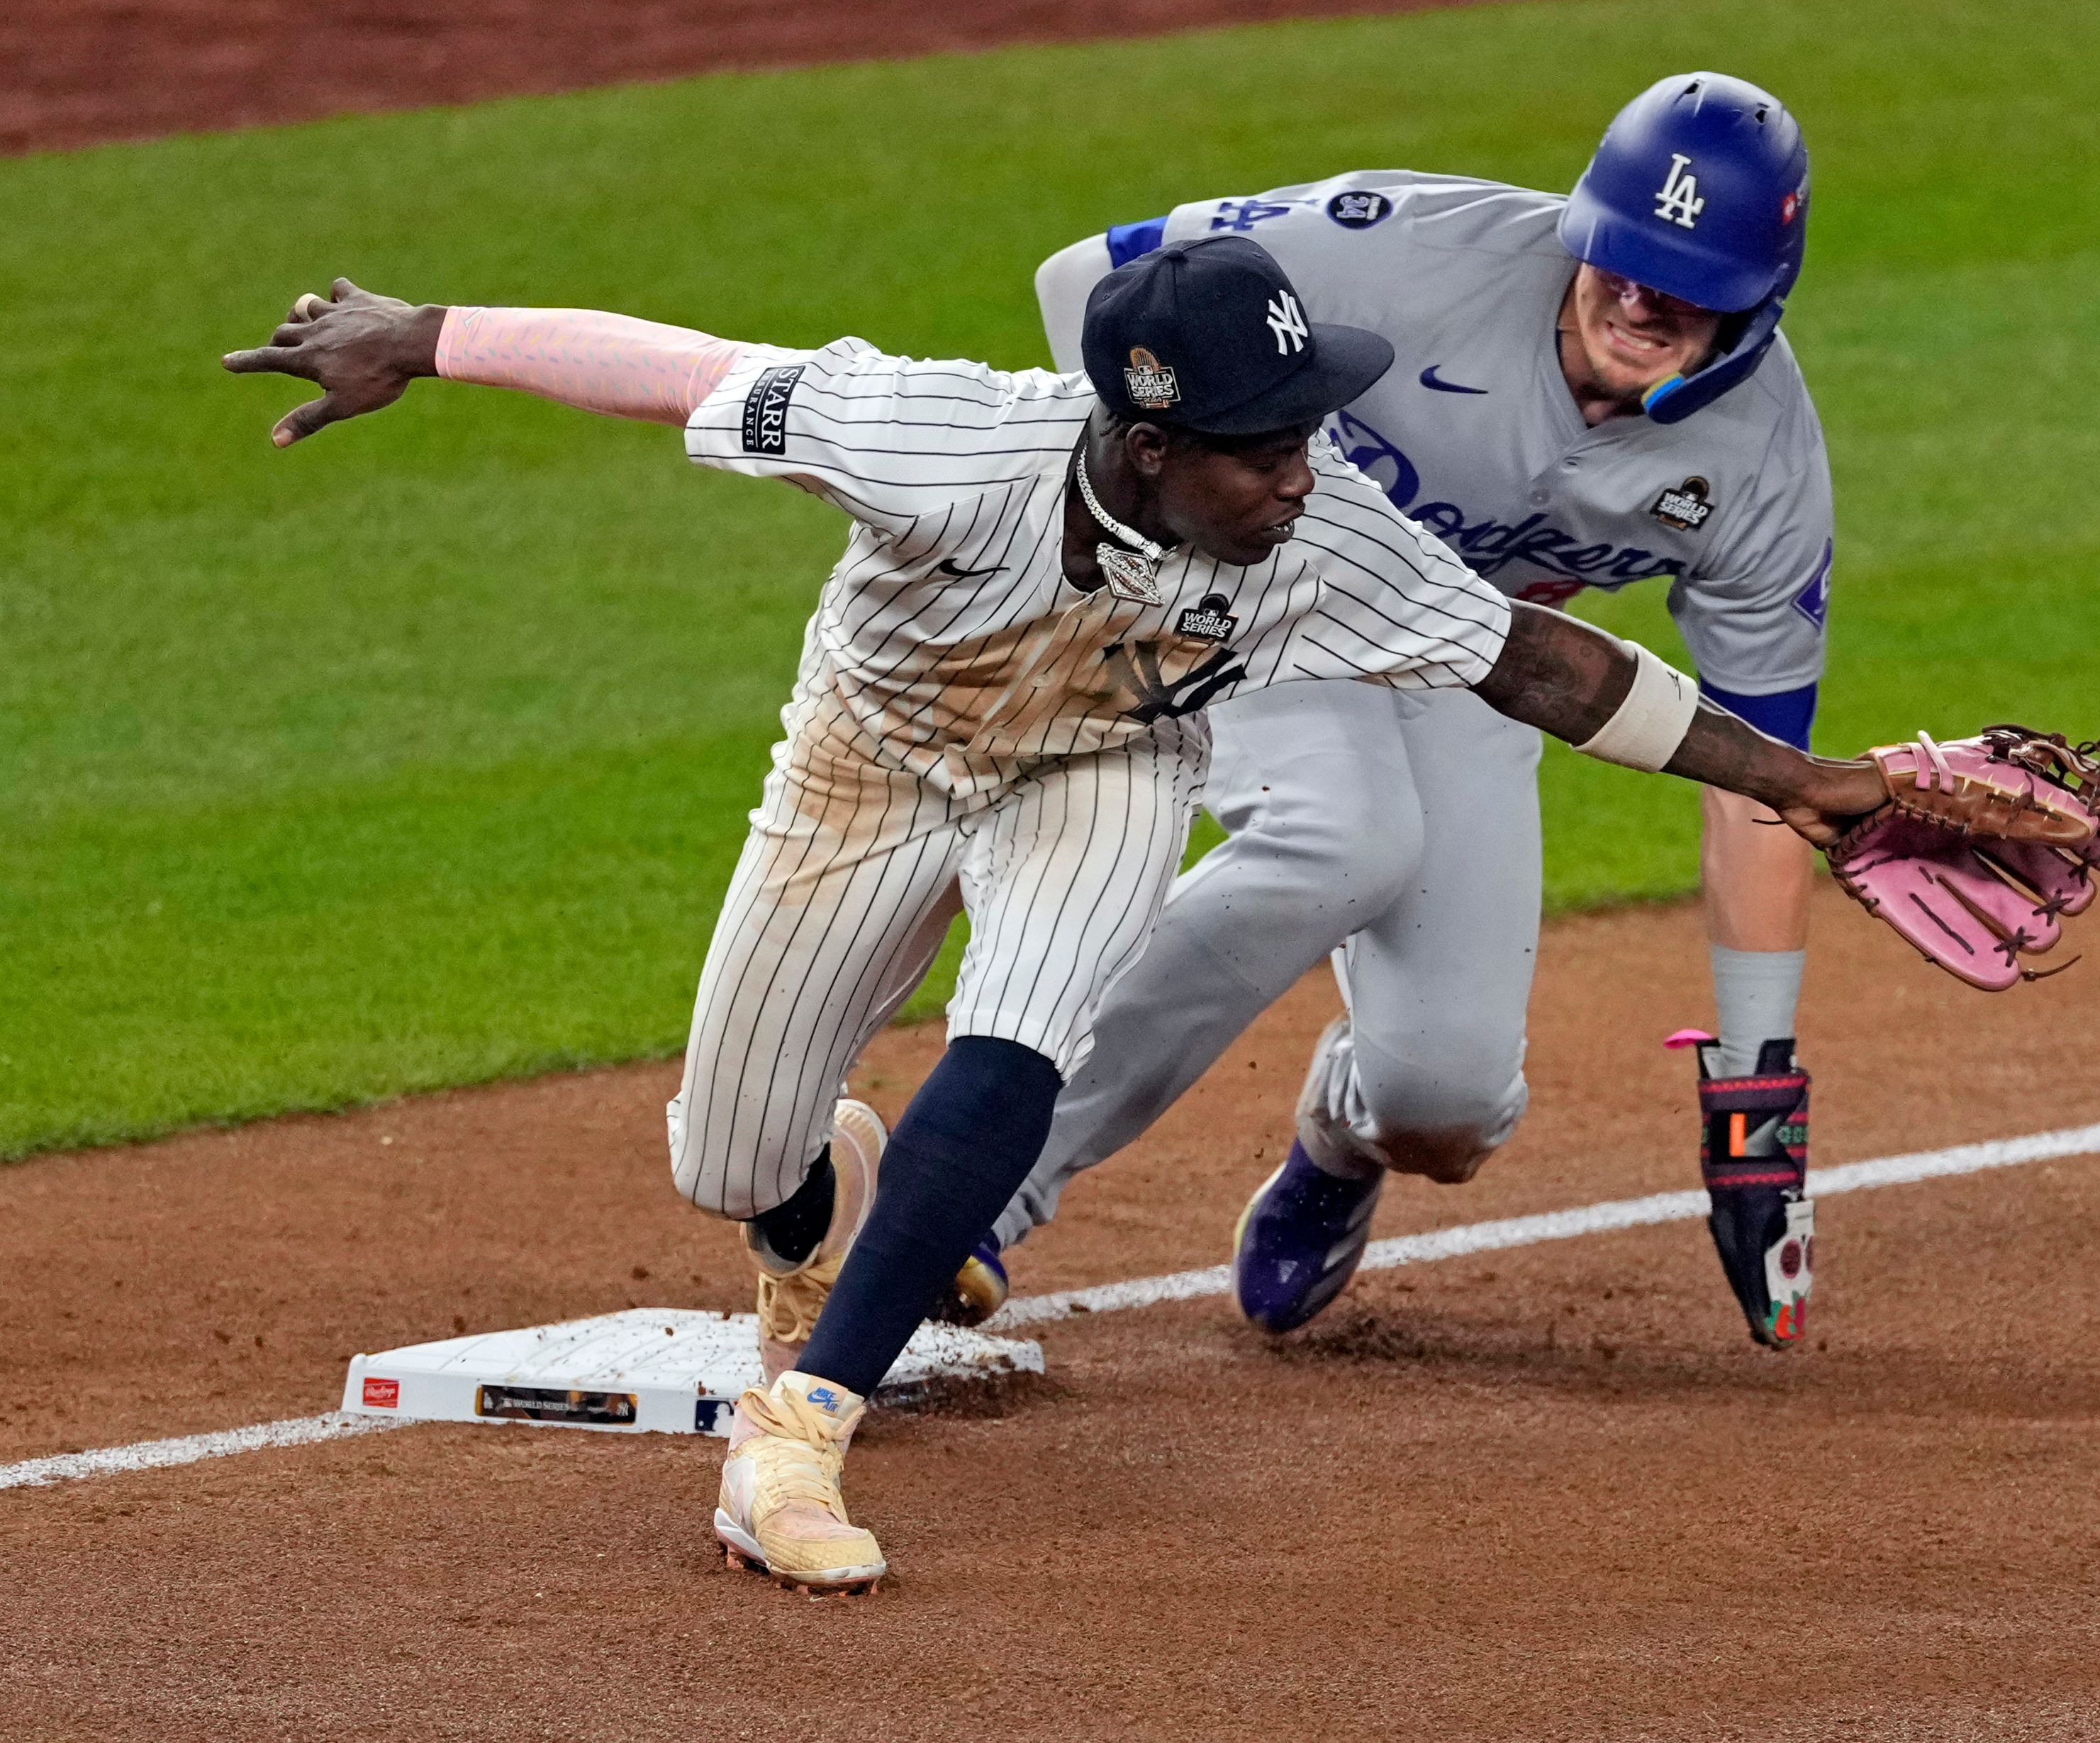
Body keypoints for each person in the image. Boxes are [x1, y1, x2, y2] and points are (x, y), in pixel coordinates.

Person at [224, 233, 1896, 1591]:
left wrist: (1795, 780)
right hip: (867, 769)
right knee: (728, 1162)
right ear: (1150, 443)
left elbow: (1538, 655)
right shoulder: (932, 439)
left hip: (1100, 771)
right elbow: (687, 371)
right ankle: (830, 1209)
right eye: (1267, 446)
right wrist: (427, 331)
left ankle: (800, 1426)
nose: (1306, 475)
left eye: (1309, 433)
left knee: (1021, 1024)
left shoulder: (1322, 535)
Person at [985, 73, 1836, 1344]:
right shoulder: (1400, 251)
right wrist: (1144, 496)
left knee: (1446, 1103)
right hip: (1265, 591)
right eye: (1623, 257)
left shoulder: (1762, 466)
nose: (1644, 297)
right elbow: (1081, 281)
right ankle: (985, 1185)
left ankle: (1339, 1139)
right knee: (1338, 836)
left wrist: (1756, 1091)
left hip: (1484, 664)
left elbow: (1761, 780)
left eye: (1689, 282)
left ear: (1757, 306)